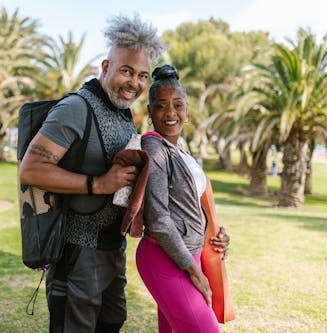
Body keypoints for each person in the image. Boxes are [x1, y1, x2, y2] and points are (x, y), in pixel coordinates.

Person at [19, 14, 165, 333]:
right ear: (105, 67)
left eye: (142, 75)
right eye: (126, 70)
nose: (135, 83)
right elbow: (30, 169)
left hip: (112, 249)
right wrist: (97, 184)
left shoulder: (124, 115)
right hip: (77, 250)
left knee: (112, 321)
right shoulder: (76, 108)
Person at [136, 64, 230, 333]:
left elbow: (195, 206)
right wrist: (193, 271)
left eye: (178, 105)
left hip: (190, 255)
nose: (171, 112)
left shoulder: (181, 152)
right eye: (161, 105)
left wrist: (216, 235)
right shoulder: (154, 148)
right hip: (164, 258)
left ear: (187, 112)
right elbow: (159, 219)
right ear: (150, 112)